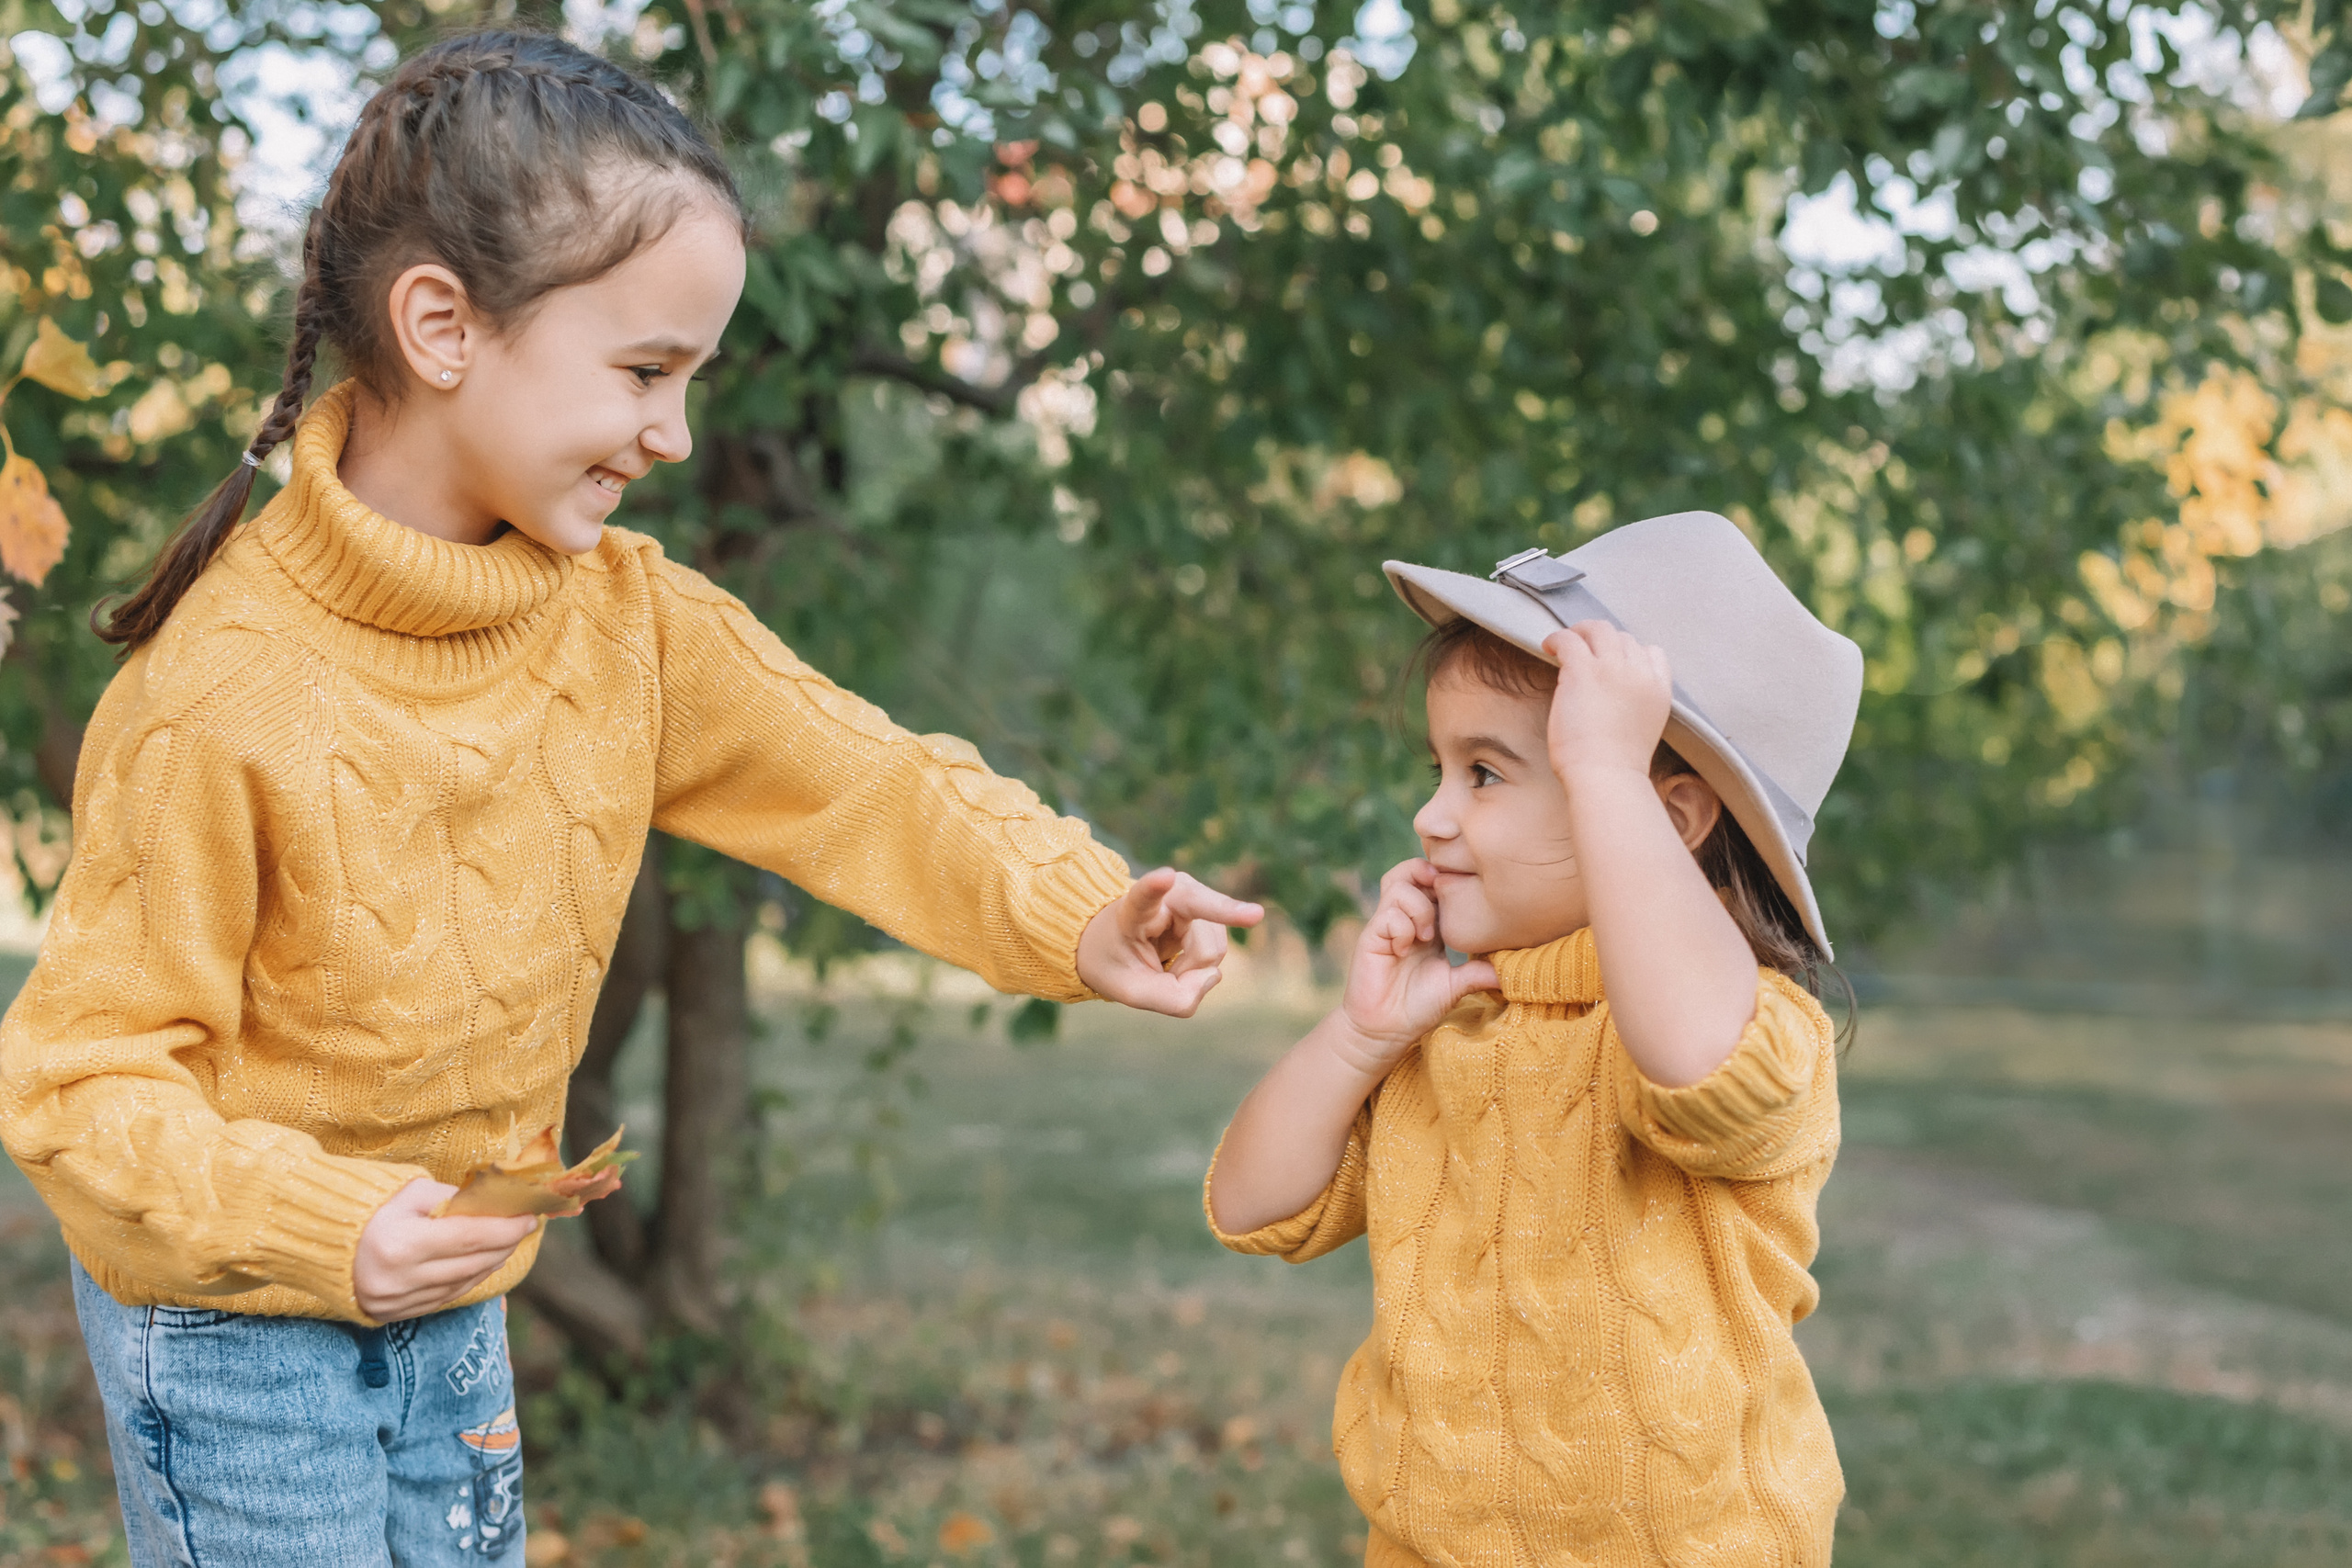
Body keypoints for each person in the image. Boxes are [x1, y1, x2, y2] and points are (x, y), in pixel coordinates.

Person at [0, 30, 1259, 1568]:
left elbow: (862, 780)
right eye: (644, 372)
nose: (673, 434)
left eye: (691, 379)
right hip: (234, 1323)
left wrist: (1077, 907)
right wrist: (333, 1230)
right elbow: (82, 1079)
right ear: (444, 325)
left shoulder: (624, 622)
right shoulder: (218, 693)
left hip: (457, 1286)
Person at [1205, 513, 1863, 1566]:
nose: (1430, 816)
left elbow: (1692, 1059)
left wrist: (1603, 771)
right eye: (1439, 767)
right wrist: (1354, 1039)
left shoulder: (1758, 1029)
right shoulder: (1447, 1024)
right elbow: (1253, 1208)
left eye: (1487, 774)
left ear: (1674, 816)